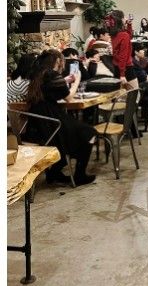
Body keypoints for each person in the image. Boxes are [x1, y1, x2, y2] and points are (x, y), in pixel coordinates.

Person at [26, 49, 97, 186]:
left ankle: (54, 173)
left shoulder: (38, 74)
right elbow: (69, 97)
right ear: (58, 61)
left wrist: (65, 80)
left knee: (76, 133)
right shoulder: (52, 75)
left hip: (38, 122)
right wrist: (77, 81)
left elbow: (48, 87)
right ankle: (79, 175)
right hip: (52, 121)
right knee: (89, 133)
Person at [107, 10, 138, 89]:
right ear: (120, 20)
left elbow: (129, 36)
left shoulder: (114, 34)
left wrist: (129, 25)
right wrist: (122, 74)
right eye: (124, 17)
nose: (125, 19)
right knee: (134, 93)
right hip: (126, 68)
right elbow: (123, 56)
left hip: (116, 67)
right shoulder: (124, 35)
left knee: (122, 94)